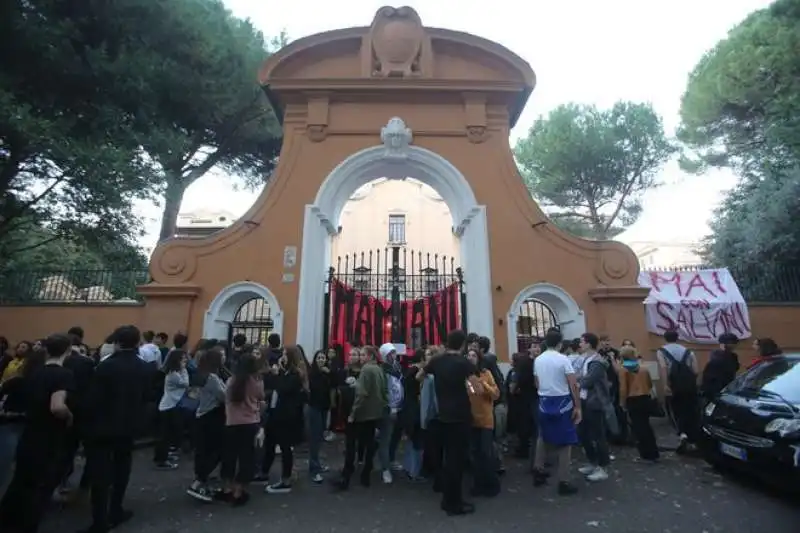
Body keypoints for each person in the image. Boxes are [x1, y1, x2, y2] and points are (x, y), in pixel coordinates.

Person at [78, 326, 152, 533]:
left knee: (100, 475)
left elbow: (93, 400)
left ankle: (100, 520)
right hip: (129, 427)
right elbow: (148, 398)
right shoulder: (145, 368)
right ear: (138, 343)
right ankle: (116, 509)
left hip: (102, 428)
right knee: (122, 469)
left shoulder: (105, 367)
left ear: (116, 343)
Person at [0, 333, 75, 533]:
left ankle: (8, 519)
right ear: (67, 351)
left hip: (30, 429)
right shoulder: (63, 374)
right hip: (49, 433)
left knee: (22, 477)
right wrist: (69, 416)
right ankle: (27, 525)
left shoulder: (33, 372)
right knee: (42, 483)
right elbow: (57, 406)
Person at [420, 330, 478, 515]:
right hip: (460, 416)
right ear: (462, 345)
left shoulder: (437, 361)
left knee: (447, 459)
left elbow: (418, 376)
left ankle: (448, 499)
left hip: (442, 415)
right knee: (457, 462)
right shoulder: (464, 363)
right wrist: (466, 386)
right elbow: (476, 388)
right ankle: (454, 503)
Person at [531, 328, 581, 496]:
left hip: (544, 401)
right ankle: (564, 481)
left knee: (542, 436)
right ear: (560, 344)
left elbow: (537, 382)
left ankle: (538, 469)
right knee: (566, 442)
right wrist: (577, 406)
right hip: (562, 401)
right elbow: (573, 384)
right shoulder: (563, 359)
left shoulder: (538, 360)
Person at [338, 346, 387, 490]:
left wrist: (353, 414)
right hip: (374, 414)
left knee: (351, 444)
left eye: (363, 354)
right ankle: (366, 473)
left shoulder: (366, 369)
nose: (361, 357)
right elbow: (384, 391)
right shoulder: (379, 369)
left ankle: (347, 476)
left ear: (370, 355)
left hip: (362, 414)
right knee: (369, 444)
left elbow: (362, 394)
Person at [219, 353, 265, 506]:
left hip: (231, 422)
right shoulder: (256, 382)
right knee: (247, 457)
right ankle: (239, 490)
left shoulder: (231, 381)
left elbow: (225, 399)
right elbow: (261, 397)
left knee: (229, 456)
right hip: (249, 422)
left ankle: (227, 488)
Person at [261, 346, 307, 494]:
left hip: (287, 417)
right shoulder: (285, 373)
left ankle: (286, 480)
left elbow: (283, 389)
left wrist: (276, 374)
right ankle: (263, 472)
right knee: (270, 444)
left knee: (285, 447)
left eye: (285, 355)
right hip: (275, 413)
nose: (283, 357)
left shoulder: (294, 375)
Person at [187, 347, 227, 502]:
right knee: (214, 450)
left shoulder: (202, 375)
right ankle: (199, 481)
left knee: (204, 450)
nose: (224, 358)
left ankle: (201, 480)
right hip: (211, 415)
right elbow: (223, 396)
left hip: (202, 415)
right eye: (221, 356)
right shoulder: (212, 378)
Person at [577, 332, 615, 482]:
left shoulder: (597, 362)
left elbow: (588, 380)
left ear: (588, 343)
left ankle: (603, 467)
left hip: (595, 402)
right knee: (583, 433)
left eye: (581, 341)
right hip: (586, 400)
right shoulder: (587, 359)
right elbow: (581, 376)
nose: (580, 344)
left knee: (598, 435)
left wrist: (574, 384)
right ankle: (592, 462)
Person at [657, 329, 699, 454]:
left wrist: (665, 385)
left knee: (676, 410)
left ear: (665, 338)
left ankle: (682, 433)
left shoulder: (662, 351)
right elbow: (696, 370)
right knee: (690, 410)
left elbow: (664, 368)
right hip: (690, 386)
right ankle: (693, 438)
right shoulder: (688, 351)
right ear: (678, 338)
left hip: (674, 385)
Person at [465, 348, 500, 497]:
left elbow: (495, 394)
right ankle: (477, 484)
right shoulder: (465, 376)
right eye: (469, 355)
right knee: (474, 453)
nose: (471, 358)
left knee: (486, 452)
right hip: (471, 418)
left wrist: (484, 385)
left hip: (485, 419)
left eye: (474, 355)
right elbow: (470, 393)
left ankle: (491, 483)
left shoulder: (486, 373)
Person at [618, 346, 659, 462]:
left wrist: (622, 403)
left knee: (638, 428)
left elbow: (623, 389)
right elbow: (650, 384)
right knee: (647, 426)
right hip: (645, 398)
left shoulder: (624, 369)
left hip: (633, 400)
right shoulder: (643, 368)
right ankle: (653, 452)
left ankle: (645, 454)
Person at [307, 350, 332, 484]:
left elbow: (333, 385)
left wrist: (329, 374)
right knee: (315, 438)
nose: (321, 360)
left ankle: (317, 464)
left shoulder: (327, 373)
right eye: (319, 358)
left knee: (320, 436)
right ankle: (314, 468)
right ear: (315, 360)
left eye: (323, 358)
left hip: (324, 408)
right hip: (314, 407)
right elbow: (314, 389)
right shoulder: (312, 373)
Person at [701, 333, 740, 401]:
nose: (732, 345)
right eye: (730, 343)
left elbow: (735, 368)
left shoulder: (733, 356)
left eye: (733, 343)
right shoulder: (718, 356)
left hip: (727, 388)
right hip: (717, 390)